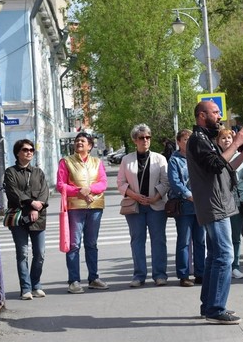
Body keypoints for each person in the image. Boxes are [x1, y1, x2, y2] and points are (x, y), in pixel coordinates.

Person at [186, 100, 243, 325]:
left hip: (220, 203)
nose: (220, 115)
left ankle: (209, 306)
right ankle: (215, 309)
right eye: (215, 112)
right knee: (225, 256)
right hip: (214, 206)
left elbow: (225, 168)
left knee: (215, 256)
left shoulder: (206, 139)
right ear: (202, 116)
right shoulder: (197, 140)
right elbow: (214, 165)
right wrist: (237, 142)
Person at [117, 124, 170, 287]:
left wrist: (155, 197)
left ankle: (160, 275)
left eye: (148, 137)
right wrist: (135, 195)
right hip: (134, 206)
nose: (145, 140)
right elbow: (120, 182)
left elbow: (166, 181)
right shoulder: (127, 159)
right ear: (135, 140)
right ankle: (139, 275)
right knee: (137, 240)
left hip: (156, 205)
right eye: (141, 138)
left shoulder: (160, 158)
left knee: (159, 240)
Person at [57, 132, 109, 294]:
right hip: (75, 208)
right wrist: (80, 191)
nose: (79, 143)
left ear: (90, 146)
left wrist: (90, 190)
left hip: (95, 207)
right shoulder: (66, 162)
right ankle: (74, 281)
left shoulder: (97, 162)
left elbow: (103, 182)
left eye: (83, 141)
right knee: (74, 245)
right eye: (77, 140)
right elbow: (60, 185)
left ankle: (93, 278)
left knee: (91, 244)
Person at [4, 139, 49, 300]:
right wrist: (31, 205)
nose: (29, 152)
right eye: (25, 150)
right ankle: (26, 288)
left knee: (40, 253)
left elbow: (44, 192)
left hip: (38, 217)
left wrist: (38, 207)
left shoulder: (38, 172)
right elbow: (13, 193)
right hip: (19, 218)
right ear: (17, 153)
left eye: (31, 150)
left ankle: (36, 284)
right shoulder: (10, 172)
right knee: (22, 253)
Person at [217, 128, 243, 279]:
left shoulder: (241, 158)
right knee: (221, 237)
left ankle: (235, 266)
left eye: (229, 137)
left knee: (235, 236)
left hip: (238, 203)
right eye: (223, 138)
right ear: (217, 141)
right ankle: (222, 266)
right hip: (219, 203)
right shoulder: (215, 158)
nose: (226, 140)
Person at [167, 129, 205, 287]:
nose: (188, 142)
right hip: (184, 206)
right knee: (184, 241)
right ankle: (183, 275)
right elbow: (175, 182)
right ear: (178, 141)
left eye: (190, 139)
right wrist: (190, 195)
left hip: (201, 205)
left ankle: (200, 273)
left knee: (200, 241)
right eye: (185, 139)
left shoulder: (199, 157)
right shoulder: (174, 160)